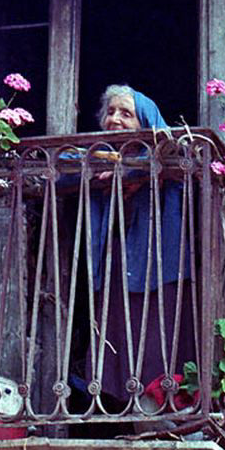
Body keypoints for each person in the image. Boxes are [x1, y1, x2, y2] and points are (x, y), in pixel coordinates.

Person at [81, 84, 196, 409]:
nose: (115, 119)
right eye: (111, 112)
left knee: (159, 341)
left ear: (145, 123)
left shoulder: (169, 156)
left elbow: (172, 157)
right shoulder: (96, 158)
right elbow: (63, 171)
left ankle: (164, 415)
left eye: (126, 113)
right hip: (117, 270)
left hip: (160, 270)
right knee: (118, 341)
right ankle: (125, 413)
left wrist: (128, 171)